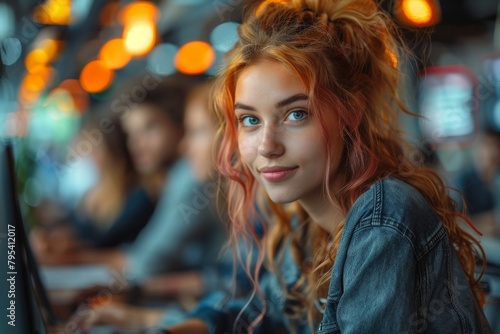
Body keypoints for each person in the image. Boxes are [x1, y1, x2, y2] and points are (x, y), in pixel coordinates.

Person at [165, 0, 492, 333]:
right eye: (250, 120)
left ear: (350, 112)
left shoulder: (383, 217)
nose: (267, 146)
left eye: (296, 114)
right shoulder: (305, 224)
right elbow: (260, 319)